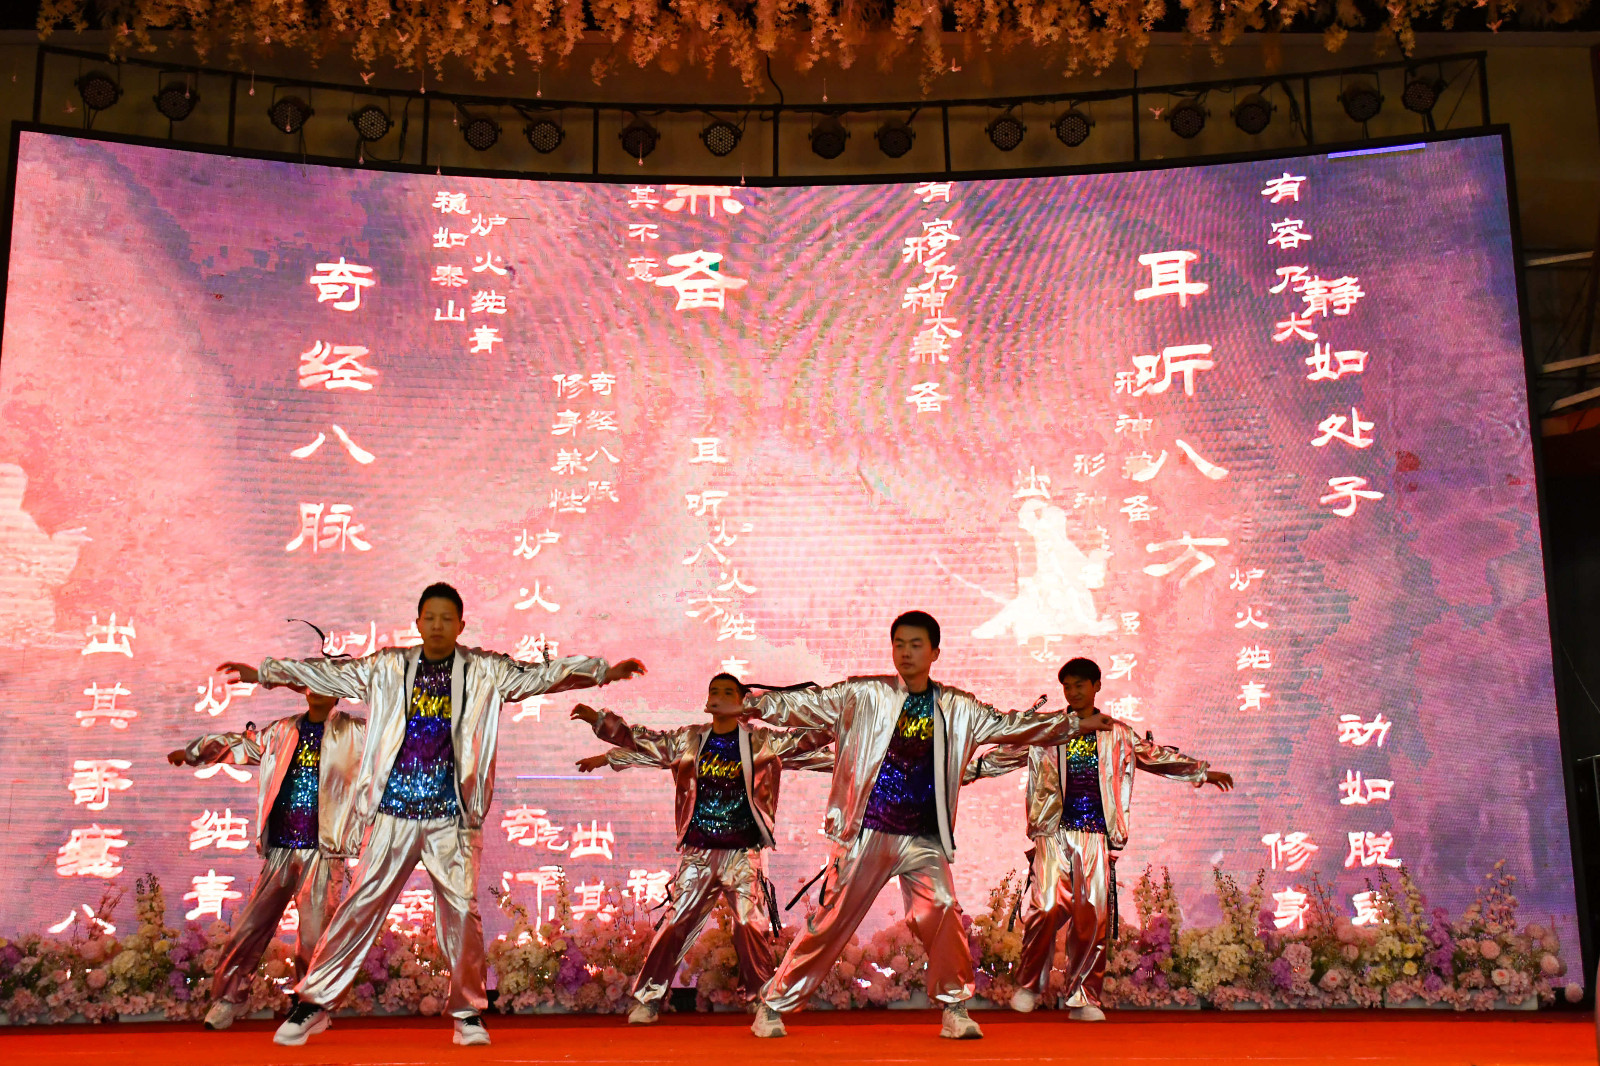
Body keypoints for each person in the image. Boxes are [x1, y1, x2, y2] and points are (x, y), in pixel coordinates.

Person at [216, 582, 646, 1048]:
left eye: (447, 619)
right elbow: (327, 675)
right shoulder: (386, 667)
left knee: (461, 913)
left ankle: (468, 1014)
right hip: (392, 814)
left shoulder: (484, 669)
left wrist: (602, 672)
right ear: (418, 623)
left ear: (461, 625)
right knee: (360, 906)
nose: (438, 626)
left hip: (451, 819)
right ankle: (314, 1004)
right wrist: (264, 673)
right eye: (430, 618)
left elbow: (542, 675)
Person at [740, 610, 1114, 1040]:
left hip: (923, 837)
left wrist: (1072, 723)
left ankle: (955, 1008)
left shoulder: (958, 706)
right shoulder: (865, 694)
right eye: (899, 644)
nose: (906, 652)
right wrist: (753, 703)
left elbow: (1011, 726)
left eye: (916, 645)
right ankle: (774, 1004)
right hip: (867, 832)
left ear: (935, 652)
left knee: (943, 911)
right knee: (831, 922)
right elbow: (807, 703)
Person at [965, 656, 1233, 1019]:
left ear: (1097, 687)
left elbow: (1155, 757)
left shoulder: (1117, 733)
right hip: (1053, 833)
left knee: (1091, 916)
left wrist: (1200, 772)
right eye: (1067, 686)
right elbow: (1002, 756)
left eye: (1080, 685)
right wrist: (958, 774)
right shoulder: (1048, 730)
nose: (1073, 692)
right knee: (1045, 907)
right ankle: (1028, 985)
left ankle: (1083, 997)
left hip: (1095, 835)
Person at [571, 672, 834, 1023]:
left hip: (742, 854)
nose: (718, 696)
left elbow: (807, 740)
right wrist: (600, 722)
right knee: (675, 923)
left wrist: (845, 715)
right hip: (698, 853)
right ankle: (647, 998)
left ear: (742, 702)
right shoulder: (689, 740)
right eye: (714, 691)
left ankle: (761, 1000)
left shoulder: (761, 742)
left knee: (749, 924)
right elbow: (643, 742)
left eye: (727, 692)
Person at [167, 684, 367, 1031]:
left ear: (337, 692)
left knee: (315, 937)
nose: (316, 689)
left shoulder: (356, 732)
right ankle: (229, 998)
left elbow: (395, 743)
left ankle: (311, 1006)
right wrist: (193, 752)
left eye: (324, 682)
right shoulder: (283, 730)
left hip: (323, 852)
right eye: (310, 682)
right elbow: (238, 745)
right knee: (250, 928)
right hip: (281, 849)